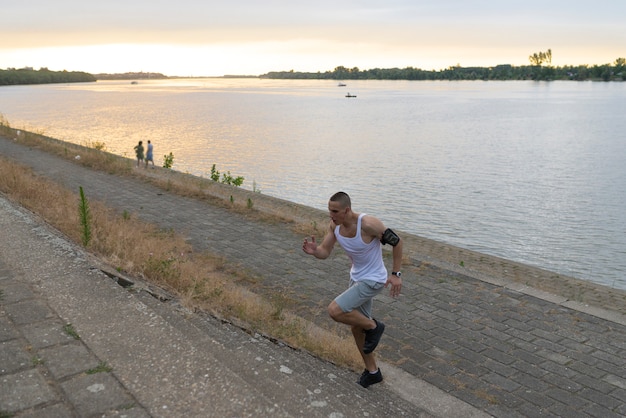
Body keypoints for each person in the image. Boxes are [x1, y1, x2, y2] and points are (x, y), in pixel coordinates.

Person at [302, 191, 402, 388]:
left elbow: (397, 242)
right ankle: (373, 372)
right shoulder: (335, 226)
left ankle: (375, 326)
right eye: (329, 210)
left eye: (335, 211)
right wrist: (315, 252)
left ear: (346, 210)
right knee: (357, 328)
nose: (331, 215)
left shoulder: (368, 224)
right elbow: (325, 251)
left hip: (373, 280)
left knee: (335, 310)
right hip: (356, 278)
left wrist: (396, 275)